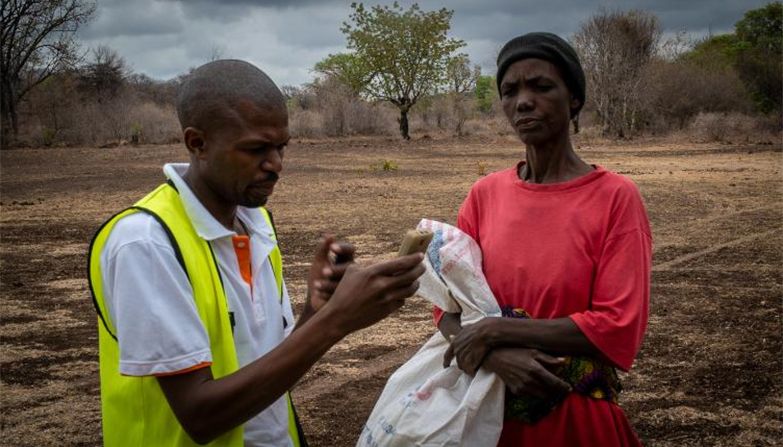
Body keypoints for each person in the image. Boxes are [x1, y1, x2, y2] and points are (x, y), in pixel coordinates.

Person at [87, 59, 424, 447]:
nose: (276, 165)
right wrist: (334, 321)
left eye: (281, 147)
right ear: (197, 143)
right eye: (256, 149)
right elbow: (200, 415)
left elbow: (265, 368)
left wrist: (314, 310)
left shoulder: (254, 224)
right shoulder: (146, 243)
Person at [436, 33, 651, 446]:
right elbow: (447, 307)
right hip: (488, 418)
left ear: (574, 99)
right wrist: (497, 356)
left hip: (575, 419)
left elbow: (617, 326)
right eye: (510, 91)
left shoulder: (615, 198)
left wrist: (496, 331)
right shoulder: (485, 195)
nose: (523, 101)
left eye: (542, 86)